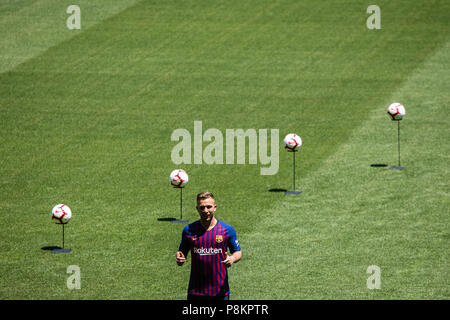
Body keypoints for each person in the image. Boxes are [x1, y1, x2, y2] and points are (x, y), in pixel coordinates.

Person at [176, 191, 242, 300]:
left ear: (215, 207)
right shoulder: (189, 230)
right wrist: (179, 259)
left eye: (209, 207)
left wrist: (232, 258)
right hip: (196, 292)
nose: (205, 211)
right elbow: (181, 254)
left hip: (220, 291)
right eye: (202, 208)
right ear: (197, 208)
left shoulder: (227, 230)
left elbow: (238, 252)